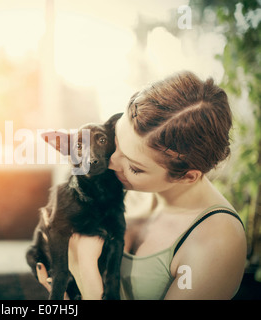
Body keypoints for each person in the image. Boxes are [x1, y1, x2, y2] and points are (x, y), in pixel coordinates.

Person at [35, 71, 247, 300]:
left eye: (135, 168)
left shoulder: (217, 241)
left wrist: (82, 268)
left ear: (187, 176)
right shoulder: (125, 190)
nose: (112, 163)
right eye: (116, 142)